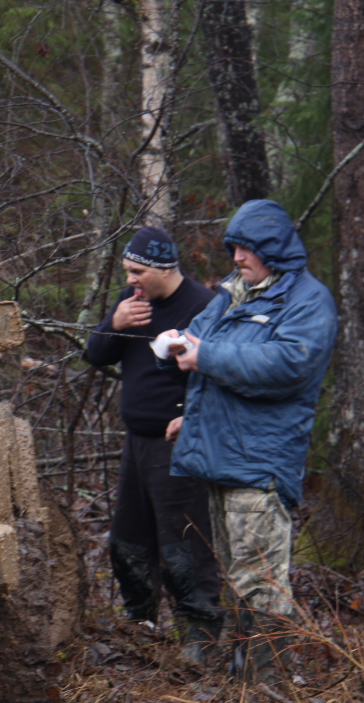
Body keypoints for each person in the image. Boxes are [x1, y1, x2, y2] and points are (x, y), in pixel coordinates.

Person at [161, 199, 337, 683]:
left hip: (260, 462)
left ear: (273, 249)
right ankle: (246, 683)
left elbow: (288, 366)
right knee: (239, 575)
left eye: (247, 248)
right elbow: (200, 340)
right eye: (233, 247)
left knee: (260, 582)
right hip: (220, 456)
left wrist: (205, 356)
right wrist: (173, 349)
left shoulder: (308, 301)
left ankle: (271, 692)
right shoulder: (233, 292)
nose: (237, 257)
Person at [87, 226, 224, 663]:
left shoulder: (203, 305)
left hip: (181, 440)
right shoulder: (131, 303)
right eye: (127, 271)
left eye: (138, 272)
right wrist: (114, 324)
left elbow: (221, 376)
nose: (131, 280)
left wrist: (196, 419)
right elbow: (95, 354)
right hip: (136, 441)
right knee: (128, 538)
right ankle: (139, 625)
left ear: (165, 269)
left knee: (184, 542)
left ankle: (200, 635)